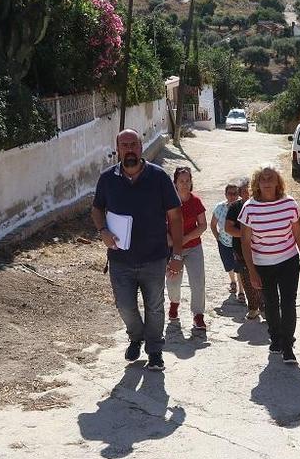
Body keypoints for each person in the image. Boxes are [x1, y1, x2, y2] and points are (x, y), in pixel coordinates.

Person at [92, 129, 184, 372]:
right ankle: (136, 336)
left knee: (154, 306)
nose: (129, 149)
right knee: (124, 306)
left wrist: (176, 255)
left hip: (154, 257)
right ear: (118, 148)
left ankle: (154, 351)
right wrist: (102, 230)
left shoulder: (159, 177)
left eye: (133, 144)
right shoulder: (107, 179)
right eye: (124, 145)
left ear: (141, 147)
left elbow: (175, 217)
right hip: (120, 259)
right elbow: (97, 209)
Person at [239, 164, 300, 364]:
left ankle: (288, 346)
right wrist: (251, 271)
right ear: (257, 184)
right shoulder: (249, 208)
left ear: (278, 182)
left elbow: (298, 233)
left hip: (288, 261)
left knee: (289, 303)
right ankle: (275, 337)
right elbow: (245, 242)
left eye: (271, 178)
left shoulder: (289, 204)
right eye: (263, 179)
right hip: (263, 264)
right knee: (271, 303)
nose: (267, 182)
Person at [166, 167, 208, 330]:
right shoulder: (168, 202)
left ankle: (198, 315)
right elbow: (161, 226)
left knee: (198, 281)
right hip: (173, 249)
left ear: (191, 182)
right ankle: (174, 304)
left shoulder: (196, 201)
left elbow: (203, 225)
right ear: (175, 183)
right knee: (173, 281)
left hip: (193, 247)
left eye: (187, 181)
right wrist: (172, 242)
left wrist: (186, 238)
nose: (184, 184)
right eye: (181, 181)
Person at [224, 178, 264, 320]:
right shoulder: (235, 207)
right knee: (247, 280)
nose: (248, 192)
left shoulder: (262, 205)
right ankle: (253, 308)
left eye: (250, 189)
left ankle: (265, 308)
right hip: (241, 251)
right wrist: (245, 233)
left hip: (261, 250)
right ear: (241, 193)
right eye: (244, 190)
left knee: (263, 279)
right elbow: (228, 227)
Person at [210, 183, 245, 303]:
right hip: (224, 242)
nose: (233, 196)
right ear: (225, 195)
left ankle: (241, 291)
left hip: (238, 243)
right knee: (228, 265)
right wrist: (217, 238)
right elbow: (213, 224)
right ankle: (232, 281)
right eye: (230, 193)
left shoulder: (242, 207)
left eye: (235, 193)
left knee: (239, 267)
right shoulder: (220, 208)